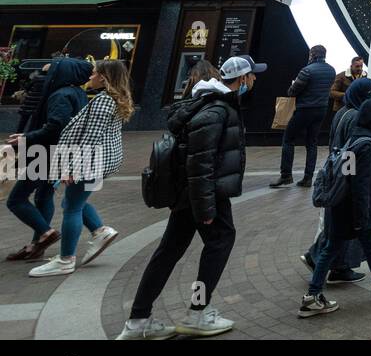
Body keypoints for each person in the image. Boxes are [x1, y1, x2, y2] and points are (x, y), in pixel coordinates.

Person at [118, 55, 265, 340]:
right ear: (243, 78)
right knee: (219, 242)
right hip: (204, 194)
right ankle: (198, 311)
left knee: (169, 251)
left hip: (193, 194)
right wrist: (206, 207)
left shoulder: (209, 105)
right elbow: (201, 163)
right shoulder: (217, 111)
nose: (255, 80)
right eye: (253, 75)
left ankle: (139, 318)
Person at [299, 93, 371, 318]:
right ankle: (314, 296)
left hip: (341, 207)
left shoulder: (355, 138)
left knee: (340, 247)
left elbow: (348, 176)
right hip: (355, 211)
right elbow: (360, 184)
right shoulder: (367, 145)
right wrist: (362, 218)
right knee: (355, 245)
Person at [27, 59, 132, 278]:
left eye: (94, 73)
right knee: (73, 202)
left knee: (72, 208)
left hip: (89, 162)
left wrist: (73, 168)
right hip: (97, 161)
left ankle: (66, 259)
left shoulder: (104, 101)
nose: (90, 76)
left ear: (103, 77)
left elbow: (90, 138)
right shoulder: (111, 99)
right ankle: (100, 232)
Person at [5, 57, 93, 262]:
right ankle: (37, 245)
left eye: (51, 71)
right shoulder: (79, 93)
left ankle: (46, 233)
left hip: (45, 154)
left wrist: (26, 138)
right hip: (61, 154)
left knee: (16, 199)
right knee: (44, 196)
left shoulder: (60, 95)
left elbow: (55, 126)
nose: (46, 77)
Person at [303, 77, 371, 285]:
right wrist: (351, 178)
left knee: (336, 228)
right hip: (345, 177)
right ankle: (329, 268)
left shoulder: (342, 112)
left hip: (336, 173)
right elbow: (351, 151)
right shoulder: (356, 116)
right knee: (346, 230)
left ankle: (324, 261)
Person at [273, 44, 336, 189]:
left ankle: (286, 175)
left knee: (288, 139)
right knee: (312, 142)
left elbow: (292, 92)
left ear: (312, 55)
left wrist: (294, 85)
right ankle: (308, 178)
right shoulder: (331, 70)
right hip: (321, 110)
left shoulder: (307, 71)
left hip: (305, 109)